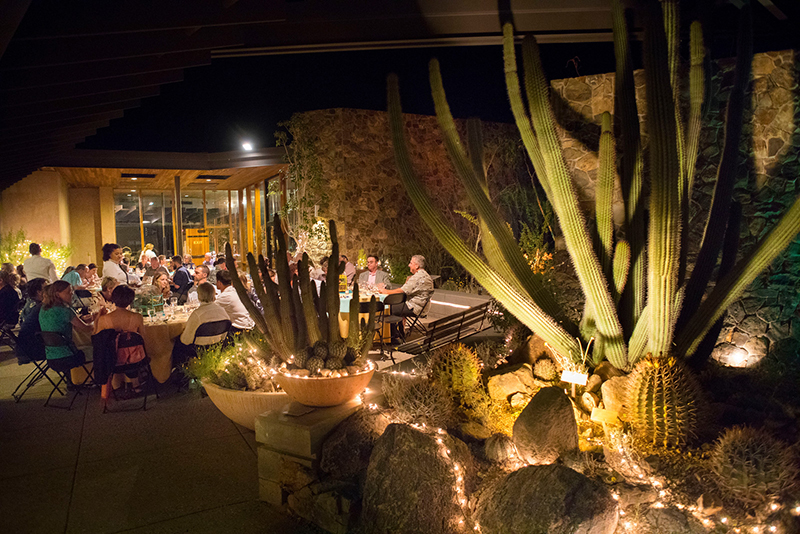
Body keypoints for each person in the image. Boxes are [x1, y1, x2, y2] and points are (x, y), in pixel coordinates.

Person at [39, 280, 100, 375]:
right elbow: (87, 328)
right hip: (69, 356)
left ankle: (75, 381)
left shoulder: (44, 309)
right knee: (102, 350)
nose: (71, 294)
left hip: (51, 356)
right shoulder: (65, 310)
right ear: (57, 294)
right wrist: (99, 317)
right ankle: (100, 380)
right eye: (68, 292)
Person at [94, 285, 146, 394]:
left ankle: (117, 385)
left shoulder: (104, 319)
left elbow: (97, 340)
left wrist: (98, 317)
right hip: (135, 360)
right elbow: (143, 339)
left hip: (111, 360)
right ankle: (136, 383)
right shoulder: (137, 317)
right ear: (131, 300)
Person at [172, 282, 231, 364]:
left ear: (199, 295)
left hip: (196, 351)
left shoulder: (197, 315)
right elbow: (224, 334)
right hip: (216, 347)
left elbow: (186, 340)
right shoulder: (222, 311)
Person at [379, 254, 434, 343]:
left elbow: (402, 290)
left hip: (414, 308)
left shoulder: (417, 277)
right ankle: (400, 333)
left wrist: (386, 292)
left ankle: (394, 337)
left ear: (417, 266)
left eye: (411, 263)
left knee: (389, 309)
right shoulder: (426, 275)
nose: (409, 265)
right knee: (398, 307)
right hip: (423, 307)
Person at [16, 278, 47, 364]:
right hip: (33, 348)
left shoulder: (29, 303)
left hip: (23, 348)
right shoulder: (39, 307)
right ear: (39, 292)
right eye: (46, 288)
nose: (50, 290)